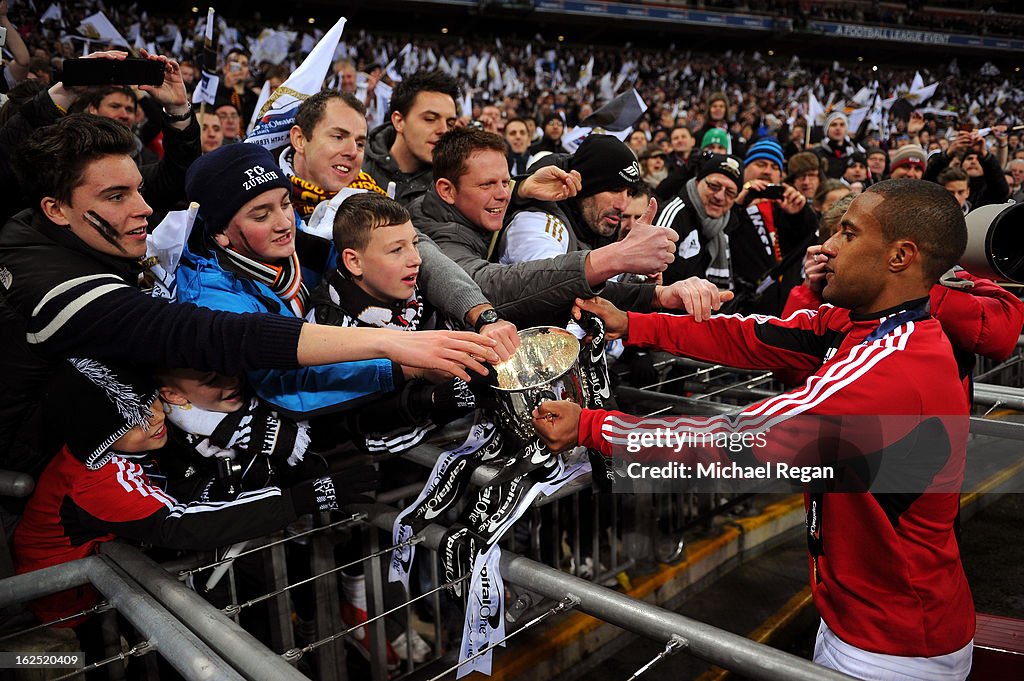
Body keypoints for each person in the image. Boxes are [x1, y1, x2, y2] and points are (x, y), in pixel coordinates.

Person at [534, 179, 979, 681]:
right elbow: (754, 335)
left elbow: (731, 445)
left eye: (849, 234)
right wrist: (632, 324)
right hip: (880, 623)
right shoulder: (868, 325)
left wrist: (592, 427)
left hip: (890, 650)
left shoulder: (888, 372)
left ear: (901, 256)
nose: (827, 246)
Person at [0, 115, 499, 477]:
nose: (146, 209)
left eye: (285, 205)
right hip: (48, 482)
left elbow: (398, 245)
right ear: (56, 209)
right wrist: (394, 354)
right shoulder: (49, 286)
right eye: (117, 197)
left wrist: (475, 310)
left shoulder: (271, 239)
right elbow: (221, 337)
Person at [14, 359, 376, 630]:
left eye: (150, 403)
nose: (154, 419)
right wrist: (302, 500)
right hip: (59, 611)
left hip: (97, 590)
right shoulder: (96, 480)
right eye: (131, 420)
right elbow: (181, 523)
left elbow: (177, 487)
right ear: (98, 436)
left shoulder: (126, 449)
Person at [413, 129, 721, 327]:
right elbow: (483, 286)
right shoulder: (436, 233)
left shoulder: (484, 209)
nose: (503, 194)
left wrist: (657, 296)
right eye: (487, 184)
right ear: (446, 190)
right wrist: (615, 258)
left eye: (505, 182)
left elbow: (578, 287)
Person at [283, 90, 521, 343]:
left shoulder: (370, 194)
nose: (352, 151)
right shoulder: (267, 204)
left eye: (360, 142)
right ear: (299, 139)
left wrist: (480, 313)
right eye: (338, 136)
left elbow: (427, 259)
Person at [730, 138, 817, 315]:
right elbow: (719, 232)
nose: (767, 171)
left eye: (774, 167)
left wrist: (799, 213)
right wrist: (738, 205)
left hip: (784, 307)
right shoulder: (728, 202)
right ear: (745, 169)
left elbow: (810, 236)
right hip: (741, 307)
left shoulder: (786, 208)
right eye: (761, 164)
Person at [362, 69, 460, 205]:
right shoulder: (357, 168)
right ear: (399, 121)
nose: (443, 130)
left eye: (450, 124)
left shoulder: (455, 186)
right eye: (430, 119)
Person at [813, 111, 863, 179]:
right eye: (834, 125)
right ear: (827, 129)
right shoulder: (816, 153)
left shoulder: (855, 153)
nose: (838, 128)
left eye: (842, 125)